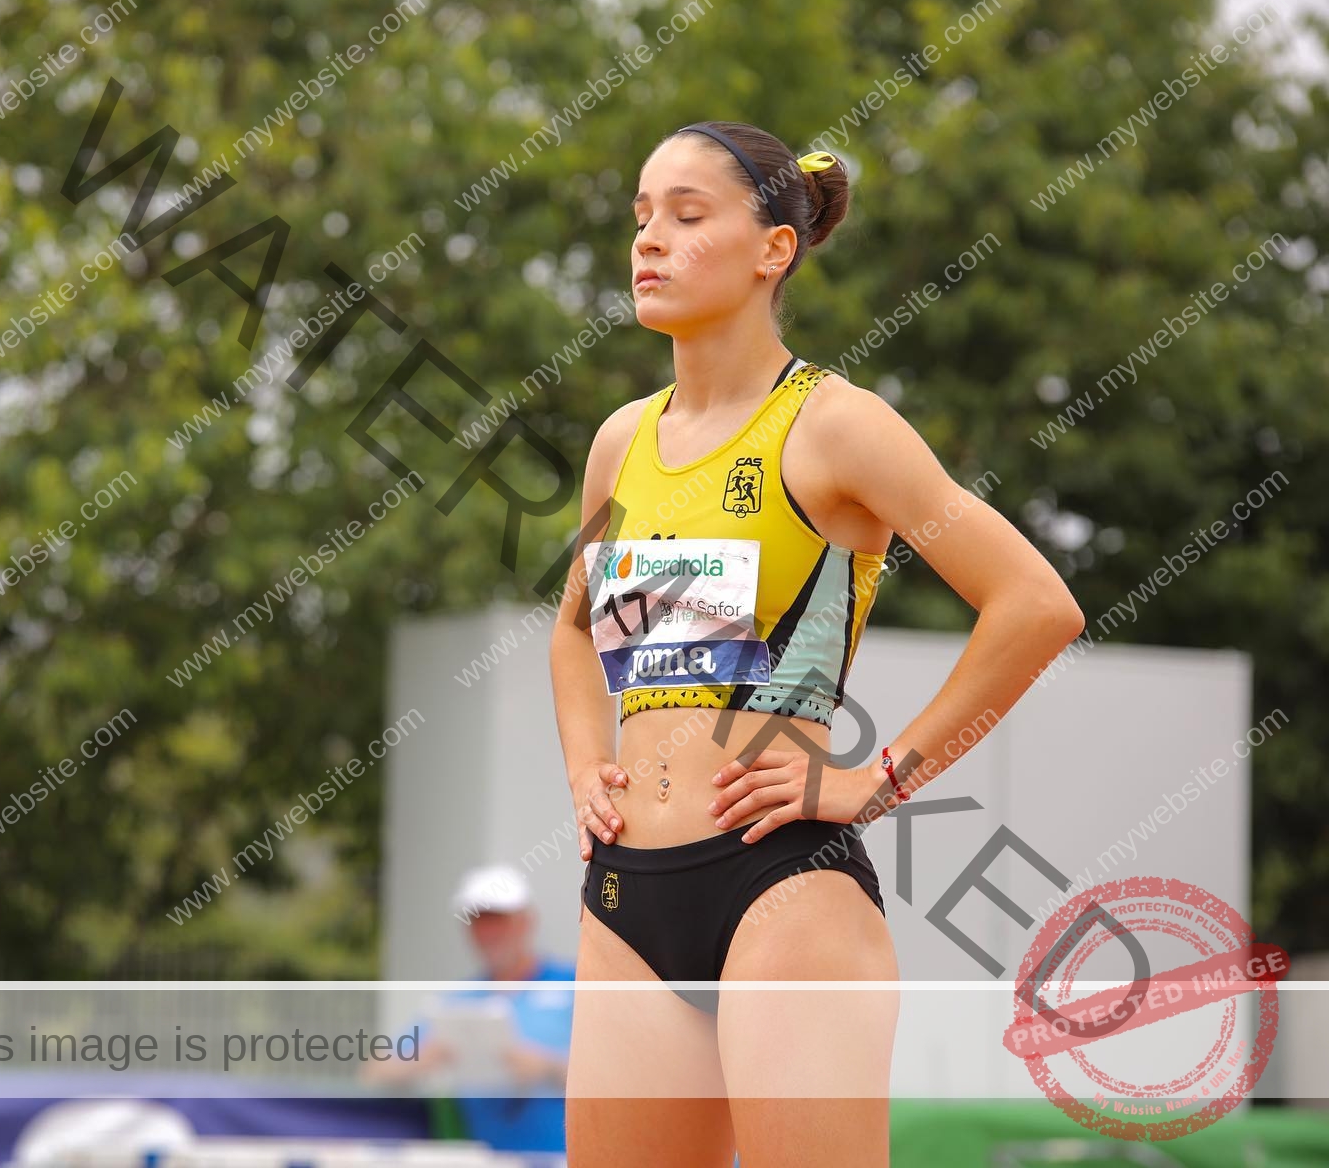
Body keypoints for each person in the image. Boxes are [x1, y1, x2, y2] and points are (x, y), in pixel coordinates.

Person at [548, 121, 1086, 1168]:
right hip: (623, 900)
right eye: (642, 216)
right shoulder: (622, 439)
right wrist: (584, 770)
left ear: (773, 250)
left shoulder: (835, 426)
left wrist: (875, 781)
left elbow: (1035, 603)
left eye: (688, 215)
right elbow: (574, 634)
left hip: (781, 892)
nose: (649, 239)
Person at [362, 863, 575, 1153]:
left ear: (526, 921)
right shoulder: (456, 999)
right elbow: (375, 1073)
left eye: (498, 919)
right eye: (478, 921)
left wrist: (548, 1068)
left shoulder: (575, 986)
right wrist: (428, 1057)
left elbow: (622, 1077)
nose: (487, 932)